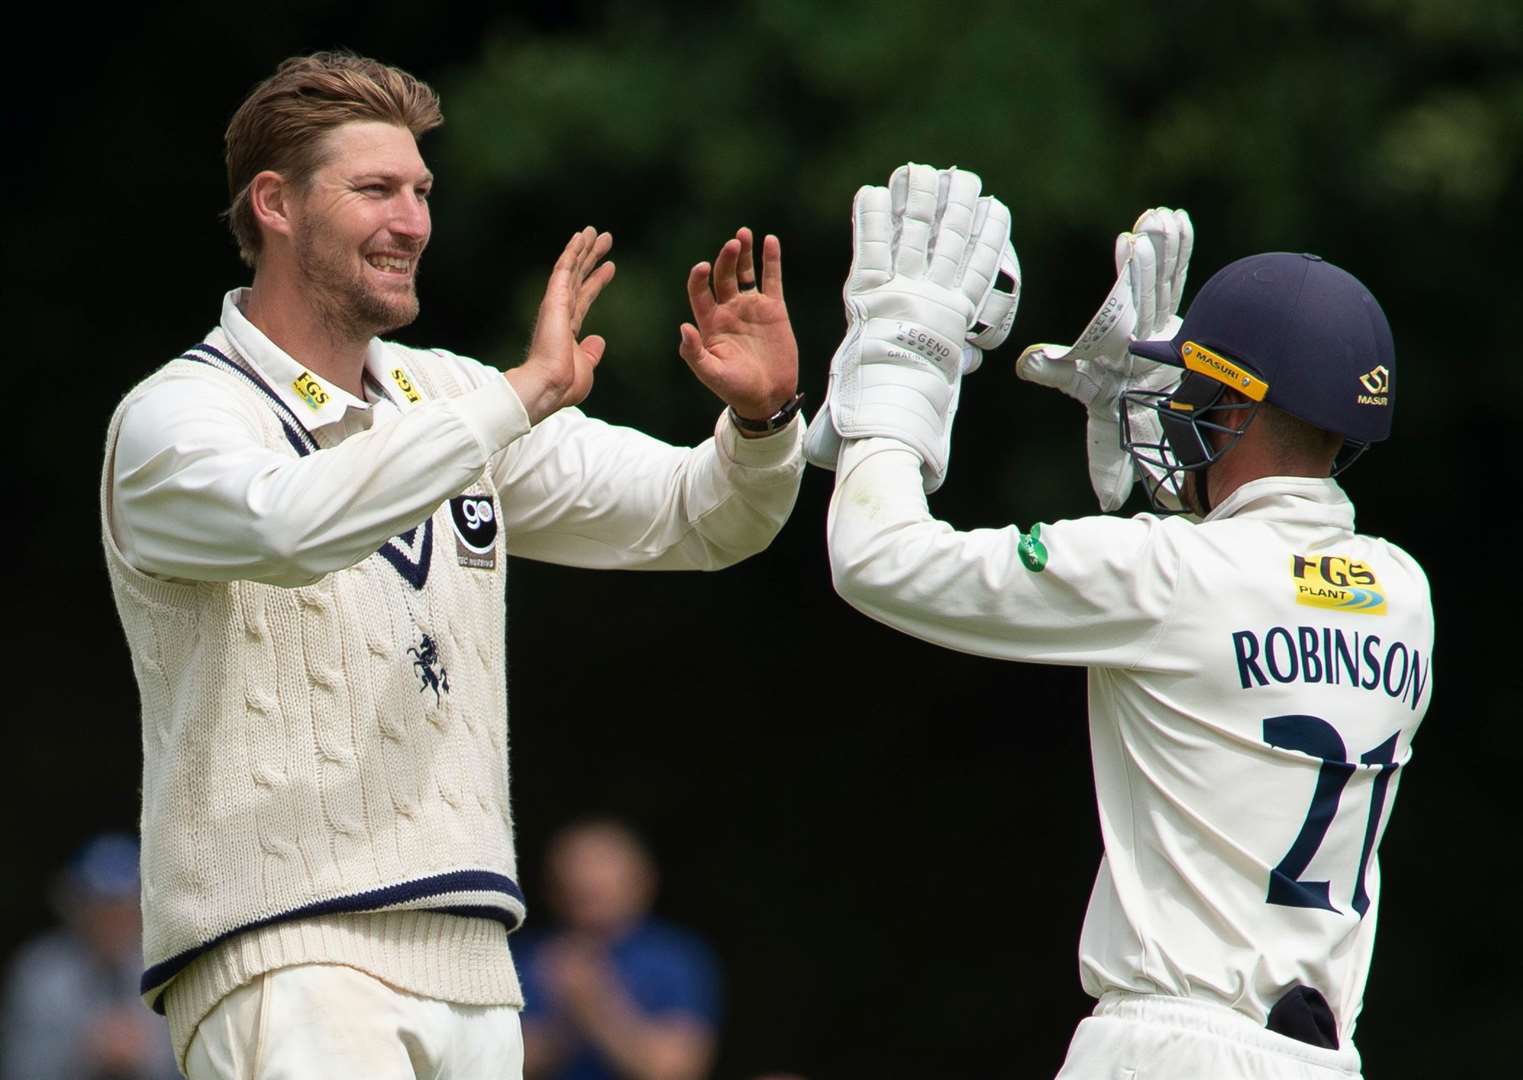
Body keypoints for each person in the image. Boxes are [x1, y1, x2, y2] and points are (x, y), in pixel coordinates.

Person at [98, 52, 803, 1079]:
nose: (413, 221)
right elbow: (295, 526)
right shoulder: (176, 418)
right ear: (275, 204)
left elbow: (700, 520)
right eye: (376, 189)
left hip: (476, 964)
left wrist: (760, 421)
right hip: (286, 955)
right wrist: (512, 399)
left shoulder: (453, 399)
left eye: (421, 190)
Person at [809, 164, 1433, 1078]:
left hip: (1165, 1048)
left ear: (1233, 405)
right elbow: (1248, 589)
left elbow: (877, 560)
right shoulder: (1401, 594)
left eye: (1192, 395)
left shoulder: (1162, 574)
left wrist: (901, 368)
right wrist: (1175, 457)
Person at [514, 819, 721, 1080]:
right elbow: (493, 1063)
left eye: (599, 889)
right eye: (575, 891)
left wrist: (593, 1005)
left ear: (642, 882)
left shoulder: (675, 958)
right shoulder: (528, 956)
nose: (586, 886)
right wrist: (561, 1029)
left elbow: (675, 1069)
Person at [0, 833, 178, 1080]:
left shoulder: (166, 968)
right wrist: (85, 1053)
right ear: (74, 907)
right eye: (99, 906)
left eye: (121, 906)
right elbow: (18, 1067)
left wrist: (145, 1055)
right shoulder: (39, 972)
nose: (111, 920)